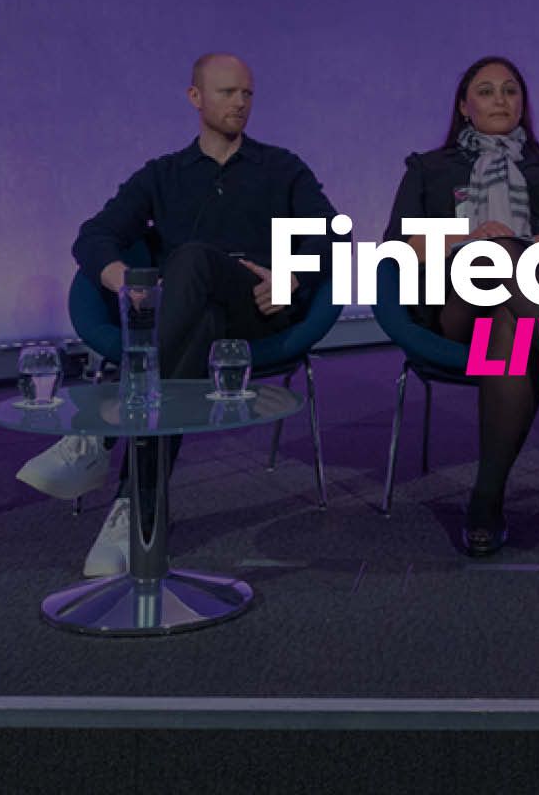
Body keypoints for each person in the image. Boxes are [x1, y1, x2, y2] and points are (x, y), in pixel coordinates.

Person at [18, 53, 341, 575]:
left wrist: (290, 275)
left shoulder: (282, 167)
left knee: (190, 259)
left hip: (257, 308)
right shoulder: (162, 174)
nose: (240, 102)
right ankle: (136, 506)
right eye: (227, 92)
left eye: (247, 93)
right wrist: (123, 279)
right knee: (198, 323)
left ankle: (98, 432)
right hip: (192, 318)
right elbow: (94, 235)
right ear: (195, 97)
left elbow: (333, 235)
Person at [383, 55, 539, 557]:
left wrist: (519, 245)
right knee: (494, 258)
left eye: (510, 90)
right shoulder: (428, 168)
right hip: (457, 305)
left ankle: (486, 500)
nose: (500, 99)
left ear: (523, 102)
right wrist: (473, 240)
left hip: (537, 303)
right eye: (486, 90)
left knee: (511, 326)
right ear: (464, 106)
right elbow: (401, 246)